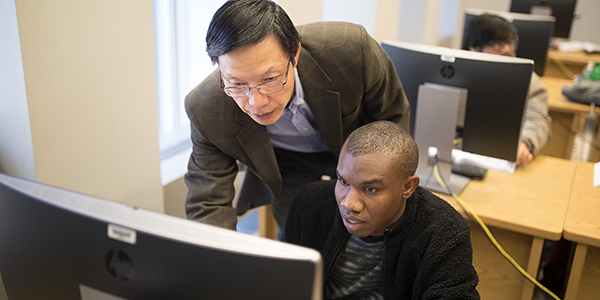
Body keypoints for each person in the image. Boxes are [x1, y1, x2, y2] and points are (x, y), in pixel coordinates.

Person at [184, 0, 410, 231]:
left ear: (295, 54)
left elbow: (392, 118)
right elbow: (208, 202)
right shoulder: (205, 108)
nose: (257, 103)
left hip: (360, 153)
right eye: (238, 84)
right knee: (297, 233)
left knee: (372, 234)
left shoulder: (351, 50)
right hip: (287, 163)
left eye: (270, 79)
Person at [283, 121, 480, 299]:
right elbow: (283, 280)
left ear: (408, 187)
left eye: (370, 189)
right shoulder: (310, 203)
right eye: (343, 181)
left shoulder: (445, 232)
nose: (349, 204)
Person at [465, 13, 552, 166]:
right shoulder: (457, 73)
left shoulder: (530, 81)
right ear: (474, 47)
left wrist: (526, 143)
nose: (506, 49)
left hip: (503, 159)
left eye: (510, 42)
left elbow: (537, 120)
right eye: (497, 43)